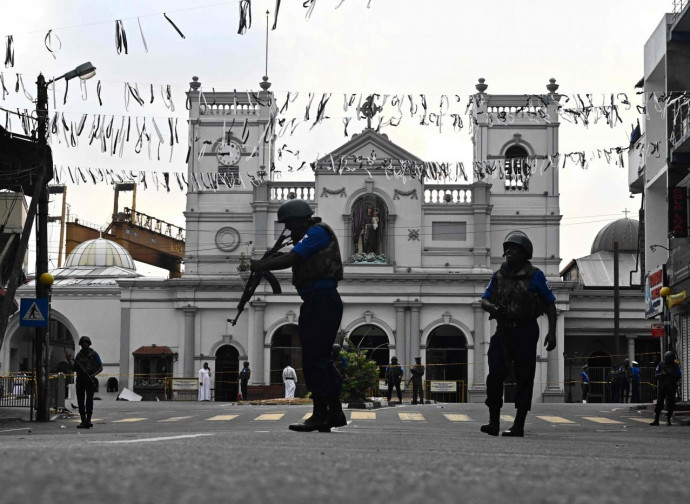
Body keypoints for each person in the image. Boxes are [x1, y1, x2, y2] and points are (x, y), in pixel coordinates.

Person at [250, 198, 344, 432]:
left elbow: (293, 258)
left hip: (322, 301)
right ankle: (334, 413)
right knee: (319, 360)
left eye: (290, 224)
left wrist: (262, 266)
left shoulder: (317, 233)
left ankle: (322, 414)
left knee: (315, 361)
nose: (290, 230)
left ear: (300, 220)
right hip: (316, 301)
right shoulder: (309, 235)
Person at [479, 231, 557, 437]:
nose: (508, 252)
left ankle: (519, 424)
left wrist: (552, 332)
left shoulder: (536, 275)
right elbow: (484, 299)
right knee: (495, 374)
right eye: (507, 248)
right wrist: (492, 308)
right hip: (503, 330)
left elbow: (550, 303)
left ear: (525, 253)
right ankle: (493, 422)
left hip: (526, 330)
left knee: (525, 376)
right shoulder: (498, 276)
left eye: (514, 248)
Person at [65, 336, 103, 429]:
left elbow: (100, 367)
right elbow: (74, 368)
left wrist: (93, 375)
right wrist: (68, 359)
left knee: (89, 401)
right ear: (81, 344)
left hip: (89, 379)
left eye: (86, 342)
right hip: (80, 380)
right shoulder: (78, 355)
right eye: (83, 343)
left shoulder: (94, 354)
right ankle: (83, 420)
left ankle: (88, 420)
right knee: (80, 401)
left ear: (89, 343)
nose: (84, 344)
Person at [650, 351, 682, 426]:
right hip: (663, 386)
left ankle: (668, 419)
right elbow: (656, 375)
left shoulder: (675, 365)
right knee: (659, 403)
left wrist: (672, 377)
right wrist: (662, 374)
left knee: (671, 403)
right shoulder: (661, 364)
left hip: (671, 386)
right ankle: (656, 420)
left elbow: (679, 375)